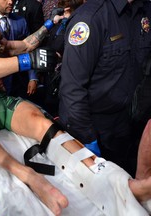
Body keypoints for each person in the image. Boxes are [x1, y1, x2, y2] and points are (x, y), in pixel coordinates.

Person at [0, 0, 151, 215]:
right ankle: (30, 176)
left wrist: (51, 23)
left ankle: (115, 181)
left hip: (5, 101)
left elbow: (26, 44)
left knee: (46, 126)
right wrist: (27, 62)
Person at [58, 0, 151, 175]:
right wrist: (87, 139)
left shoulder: (144, 12)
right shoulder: (90, 18)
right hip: (90, 128)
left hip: (124, 126)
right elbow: (72, 88)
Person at [40, 0, 84, 117]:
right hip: (51, 77)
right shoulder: (57, 24)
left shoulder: (77, 26)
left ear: (67, 8)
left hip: (66, 79)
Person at [0, 0, 38, 102]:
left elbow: (29, 49)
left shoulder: (21, 21)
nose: (10, 2)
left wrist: (32, 77)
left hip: (20, 82)